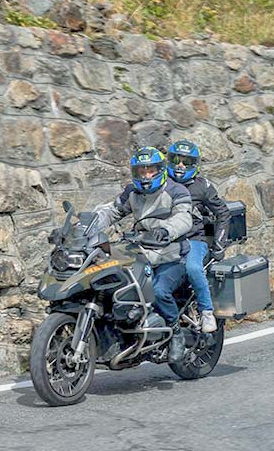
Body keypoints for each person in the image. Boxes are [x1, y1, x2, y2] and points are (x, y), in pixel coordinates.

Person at [93, 146, 197, 364]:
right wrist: (86, 225)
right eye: (141, 171)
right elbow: (112, 211)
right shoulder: (133, 192)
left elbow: (184, 218)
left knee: (158, 291)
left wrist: (165, 230)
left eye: (150, 170)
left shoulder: (177, 191)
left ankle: (176, 333)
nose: (146, 175)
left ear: (160, 170)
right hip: (140, 251)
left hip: (171, 254)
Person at [166, 139, 230, 334]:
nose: (180, 165)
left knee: (193, 268)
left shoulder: (203, 186)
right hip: (165, 242)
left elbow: (223, 213)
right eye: (176, 159)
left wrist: (219, 244)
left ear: (195, 164)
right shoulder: (159, 184)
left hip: (194, 240)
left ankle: (206, 311)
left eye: (186, 161)